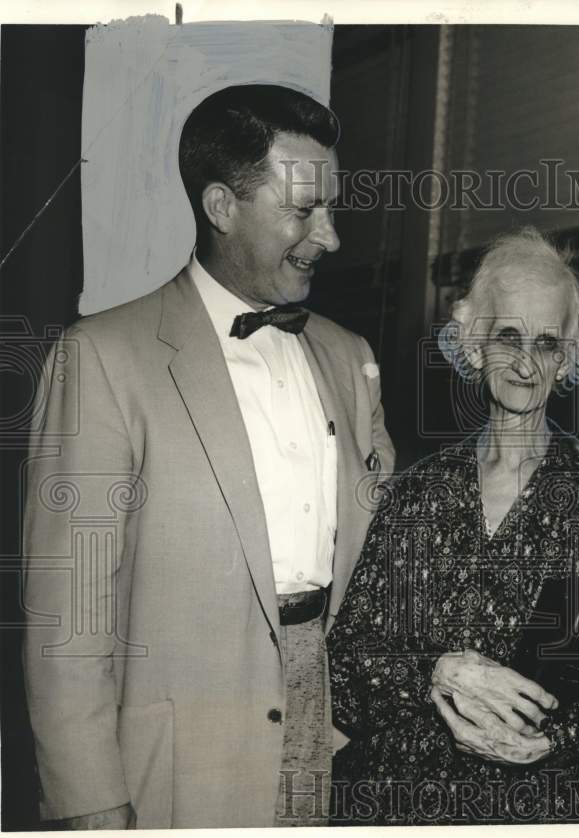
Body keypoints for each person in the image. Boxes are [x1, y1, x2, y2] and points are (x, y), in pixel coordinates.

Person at [21, 84, 394, 829]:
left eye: (331, 208)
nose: (330, 236)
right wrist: (91, 801)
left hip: (338, 738)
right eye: (302, 210)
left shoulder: (350, 357)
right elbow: (68, 617)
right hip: (179, 759)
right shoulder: (102, 358)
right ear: (222, 207)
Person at [325, 227, 579, 824]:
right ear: (473, 346)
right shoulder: (418, 494)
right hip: (404, 804)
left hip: (548, 804)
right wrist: (437, 672)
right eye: (507, 337)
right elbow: (347, 666)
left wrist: (552, 741)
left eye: (546, 343)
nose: (524, 362)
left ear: (570, 358)